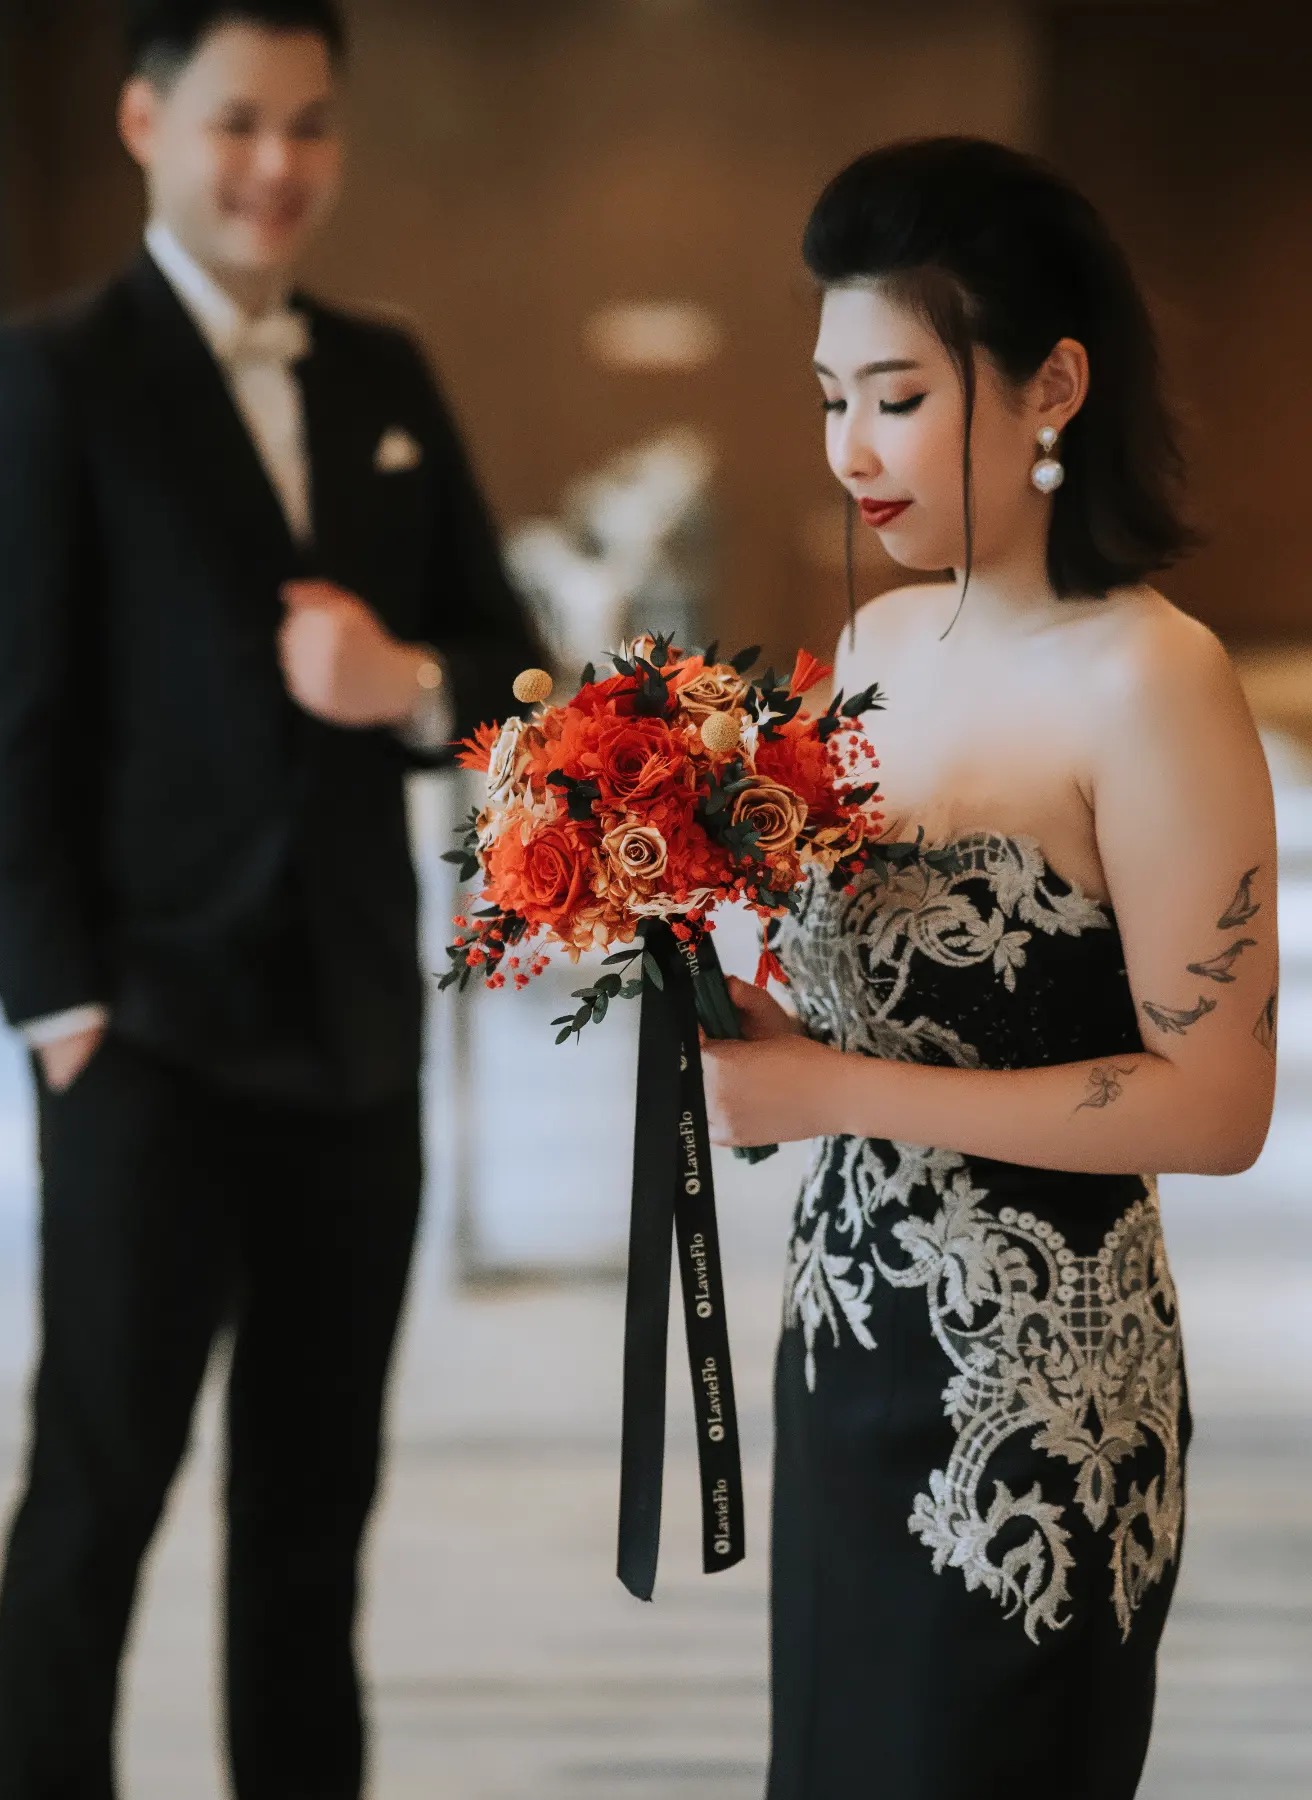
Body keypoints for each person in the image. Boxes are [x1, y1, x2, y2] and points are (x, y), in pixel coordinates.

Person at [0, 3, 540, 1795]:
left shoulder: (384, 373)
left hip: (355, 1038)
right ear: (143, 121)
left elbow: (513, 666)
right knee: (98, 1498)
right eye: (238, 121)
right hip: (148, 1042)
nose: (278, 165)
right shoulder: (45, 379)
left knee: (312, 1519)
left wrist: (406, 682)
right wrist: (64, 1014)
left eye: (312, 125)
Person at [700, 137, 1278, 1800]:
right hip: (847, 1345)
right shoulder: (878, 641)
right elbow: (901, 1006)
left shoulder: (1153, 682)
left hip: (1038, 1411)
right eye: (831, 398)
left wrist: (828, 1087)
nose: (849, 451)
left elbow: (1220, 1103)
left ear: (1052, 388)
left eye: (895, 396)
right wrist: (754, 1028)